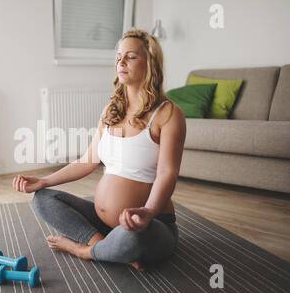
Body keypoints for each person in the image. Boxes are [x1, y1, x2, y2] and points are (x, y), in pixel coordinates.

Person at [12, 29, 186, 271]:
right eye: (118, 56)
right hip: (106, 224)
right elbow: (88, 160)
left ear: (151, 63)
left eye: (131, 57)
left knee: (134, 236)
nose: (121, 62)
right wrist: (44, 181)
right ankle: (102, 245)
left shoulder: (167, 114)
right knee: (43, 199)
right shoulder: (110, 111)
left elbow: (168, 172)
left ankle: (83, 250)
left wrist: (149, 210)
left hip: (149, 224)